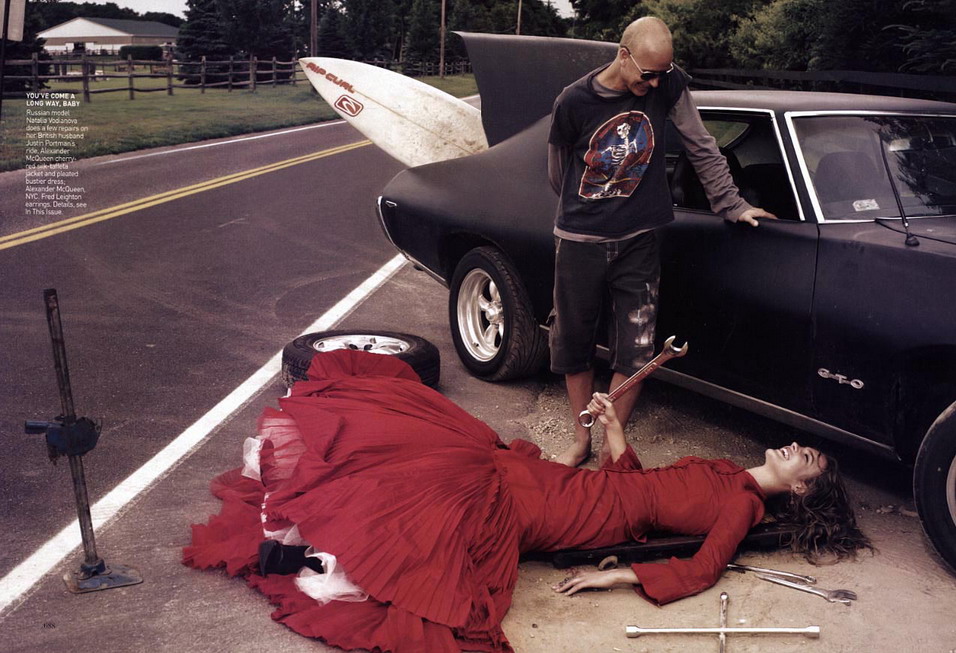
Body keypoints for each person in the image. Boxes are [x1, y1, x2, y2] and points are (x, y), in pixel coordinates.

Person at [184, 350, 870, 653]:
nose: (796, 448)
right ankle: (309, 540)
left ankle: (314, 556)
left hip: (578, 514)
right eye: (803, 448)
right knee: (443, 460)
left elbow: (701, 569)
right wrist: (612, 427)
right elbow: (642, 483)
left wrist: (613, 576)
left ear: (800, 488)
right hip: (591, 490)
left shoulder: (744, 505)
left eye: (806, 460)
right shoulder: (721, 468)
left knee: (455, 500)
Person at [548, 17, 777, 467]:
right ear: (623, 55)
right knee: (573, 344)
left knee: (636, 347)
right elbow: (558, 173)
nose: (654, 83)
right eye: (647, 74)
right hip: (579, 239)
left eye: (662, 73)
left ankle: (613, 450)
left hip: (640, 239)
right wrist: (594, 209)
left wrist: (732, 204)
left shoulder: (668, 83)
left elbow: (701, 144)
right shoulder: (573, 101)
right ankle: (580, 440)